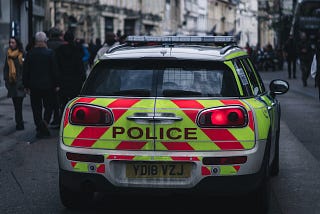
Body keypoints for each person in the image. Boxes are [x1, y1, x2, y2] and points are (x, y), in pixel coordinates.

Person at [23, 31, 60, 138]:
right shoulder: (50, 53)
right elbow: (54, 70)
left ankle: (40, 126)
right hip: (48, 85)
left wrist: (26, 85)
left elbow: (26, 71)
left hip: (34, 86)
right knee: (49, 106)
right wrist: (57, 83)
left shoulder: (30, 53)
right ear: (45, 41)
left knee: (36, 108)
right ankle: (44, 123)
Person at [55, 30, 86, 114]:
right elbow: (80, 65)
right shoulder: (77, 49)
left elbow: (57, 66)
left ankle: (63, 118)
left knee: (63, 103)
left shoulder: (59, 50)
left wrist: (57, 80)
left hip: (63, 80)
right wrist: (83, 78)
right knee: (74, 101)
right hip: (75, 80)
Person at [3, 37, 26, 130]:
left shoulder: (22, 54)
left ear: (17, 43)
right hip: (12, 84)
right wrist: (6, 81)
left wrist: (24, 83)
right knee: (16, 106)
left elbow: (25, 69)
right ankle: (19, 123)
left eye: (13, 42)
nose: (11, 44)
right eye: (10, 42)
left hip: (20, 84)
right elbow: (6, 69)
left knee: (19, 106)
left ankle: (20, 124)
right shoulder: (8, 54)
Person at [47, 27, 65, 128]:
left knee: (49, 99)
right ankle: (58, 118)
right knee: (59, 99)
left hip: (48, 75)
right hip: (61, 75)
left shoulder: (47, 44)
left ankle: (50, 119)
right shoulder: (63, 45)